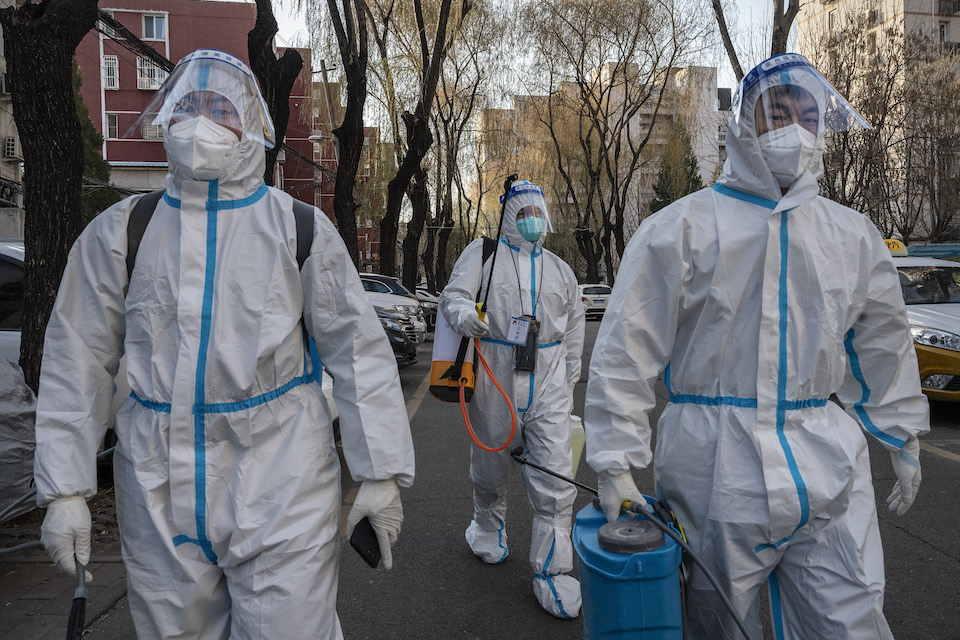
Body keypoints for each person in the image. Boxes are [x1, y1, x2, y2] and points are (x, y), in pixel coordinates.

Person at [33, 49, 415, 640]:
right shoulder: (123, 231)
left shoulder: (297, 227)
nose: (200, 118)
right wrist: (64, 488)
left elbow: (357, 351)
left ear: (251, 126)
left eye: (219, 106)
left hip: (280, 474)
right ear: (167, 119)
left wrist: (380, 472)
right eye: (186, 103)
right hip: (156, 487)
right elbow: (75, 357)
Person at [584, 53, 929, 639]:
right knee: (714, 627)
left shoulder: (852, 236)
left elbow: (884, 343)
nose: (794, 126)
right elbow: (625, 350)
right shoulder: (680, 229)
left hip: (825, 467)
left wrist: (903, 432)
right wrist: (615, 463)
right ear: (743, 121)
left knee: (850, 623)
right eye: (777, 110)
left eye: (808, 114)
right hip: (713, 471)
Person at [439, 180, 586, 619]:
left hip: (549, 379)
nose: (534, 221)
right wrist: (465, 316)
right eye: (525, 214)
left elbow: (575, 325)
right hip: (494, 372)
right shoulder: (484, 256)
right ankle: (486, 526)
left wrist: (569, 378)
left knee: (557, 476)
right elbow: (452, 296)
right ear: (509, 216)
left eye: (539, 213)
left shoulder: (561, 270)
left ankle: (553, 571)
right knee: (491, 465)